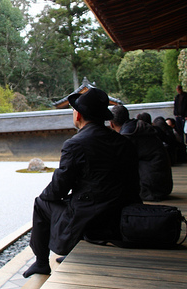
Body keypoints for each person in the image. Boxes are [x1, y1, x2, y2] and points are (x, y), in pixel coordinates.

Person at [23, 88, 141, 278]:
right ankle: (68, 253)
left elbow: (58, 189)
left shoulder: (76, 144)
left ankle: (42, 262)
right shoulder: (124, 142)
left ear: (78, 115)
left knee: (41, 203)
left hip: (93, 220)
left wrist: (46, 196)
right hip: (122, 217)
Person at [110, 106, 173, 201]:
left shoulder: (128, 135)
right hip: (162, 184)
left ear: (111, 124)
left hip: (151, 190)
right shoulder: (138, 128)